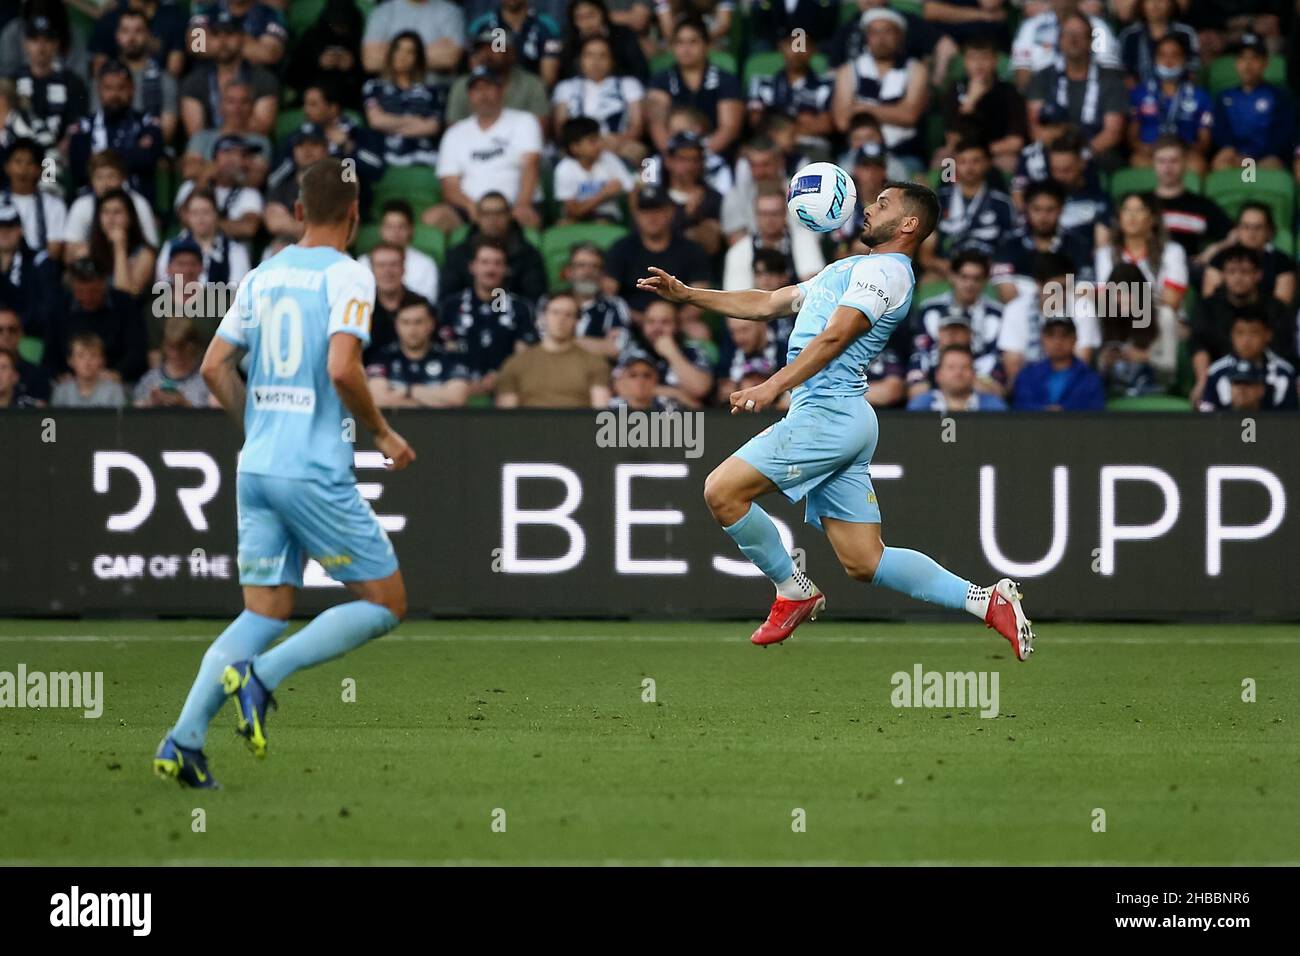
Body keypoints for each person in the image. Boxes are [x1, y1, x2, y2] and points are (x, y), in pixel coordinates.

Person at [636, 181, 1035, 656]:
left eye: (883, 204)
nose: (868, 207)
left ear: (909, 225)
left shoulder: (888, 273)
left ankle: (792, 588)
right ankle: (987, 601)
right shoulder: (850, 267)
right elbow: (767, 302)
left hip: (828, 413)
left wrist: (772, 385)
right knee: (865, 560)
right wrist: (688, 295)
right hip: (845, 417)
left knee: (722, 491)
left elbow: (835, 337)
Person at [155, 157, 416, 789]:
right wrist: (382, 431)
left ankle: (184, 741)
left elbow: (214, 367)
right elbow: (341, 368)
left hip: (257, 466)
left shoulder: (263, 274)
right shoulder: (350, 276)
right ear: (355, 217)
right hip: (312, 469)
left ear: (298, 212)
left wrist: (260, 429)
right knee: (386, 601)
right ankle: (261, 677)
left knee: (265, 611)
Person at [431, 66, 543, 231]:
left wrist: (521, 204)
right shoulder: (455, 132)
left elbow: (530, 166)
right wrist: (474, 209)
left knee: (526, 217)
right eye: (476, 89)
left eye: (489, 87)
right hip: (470, 208)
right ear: (469, 95)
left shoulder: (524, 121)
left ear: (502, 90)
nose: (483, 95)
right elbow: (450, 186)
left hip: (515, 205)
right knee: (434, 218)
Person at [495, 292, 611, 408]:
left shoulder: (595, 363)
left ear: (577, 321)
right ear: (543, 317)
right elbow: (506, 418)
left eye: (568, 315)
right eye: (555, 313)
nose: (561, 320)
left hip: (578, 425)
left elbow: (599, 414)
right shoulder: (515, 364)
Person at [366, 297, 471, 407]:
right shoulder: (382, 357)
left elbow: (457, 398)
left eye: (418, 322)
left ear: (431, 324)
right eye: (405, 322)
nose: (412, 329)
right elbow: (378, 399)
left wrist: (409, 390)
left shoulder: (449, 358)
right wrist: (427, 401)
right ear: (396, 325)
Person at [1197, 313, 1297, 412]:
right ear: (1231, 335)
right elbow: (1206, 412)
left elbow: (1291, 420)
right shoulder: (1216, 370)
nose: (1246, 340)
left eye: (1254, 332)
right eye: (1240, 332)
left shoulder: (1284, 372)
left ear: (1268, 334)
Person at [1010, 316, 1105, 411]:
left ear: (1075, 339)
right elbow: (1019, 407)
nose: (1058, 341)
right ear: (1042, 339)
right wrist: (1045, 412)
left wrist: (1064, 414)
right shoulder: (1028, 375)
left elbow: (1095, 412)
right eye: (1051, 335)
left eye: (1065, 335)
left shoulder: (1090, 378)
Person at [553, 116, 635, 224]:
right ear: (575, 147)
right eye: (592, 141)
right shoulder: (564, 169)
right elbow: (573, 211)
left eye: (599, 139)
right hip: (575, 219)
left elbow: (631, 190)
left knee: (602, 223)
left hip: (607, 216)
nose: (599, 145)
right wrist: (604, 194)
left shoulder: (609, 159)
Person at [132, 316, 212, 408]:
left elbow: (213, 415)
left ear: (193, 346)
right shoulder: (151, 380)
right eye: (170, 348)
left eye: (181, 348)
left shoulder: (206, 381)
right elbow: (135, 409)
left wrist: (185, 404)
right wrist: (150, 403)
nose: (175, 354)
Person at [906, 344, 1008, 412]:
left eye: (964, 367)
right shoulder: (921, 404)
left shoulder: (993, 406)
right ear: (938, 375)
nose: (958, 372)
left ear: (974, 374)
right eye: (951, 367)